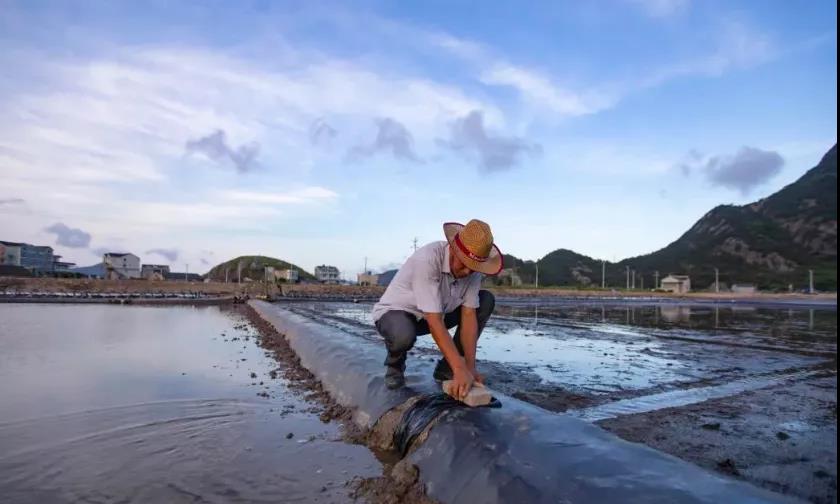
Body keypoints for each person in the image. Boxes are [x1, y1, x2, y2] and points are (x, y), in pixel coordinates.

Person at [372, 219, 503, 399]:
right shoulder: (428, 259)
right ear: (454, 249)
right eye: (463, 264)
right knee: (403, 335)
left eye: (472, 268)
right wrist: (460, 369)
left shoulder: (473, 270)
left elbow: (468, 315)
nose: (466, 272)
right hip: (397, 314)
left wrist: (469, 367)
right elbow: (435, 322)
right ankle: (395, 366)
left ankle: (447, 369)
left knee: (485, 300)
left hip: (436, 314)